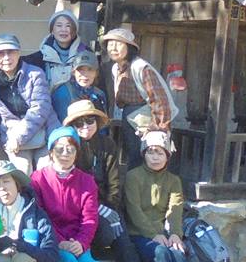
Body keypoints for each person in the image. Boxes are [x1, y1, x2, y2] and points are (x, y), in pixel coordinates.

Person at [30, 127, 138, 262]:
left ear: (77, 153)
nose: (65, 153)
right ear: (51, 152)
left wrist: (81, 242)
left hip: (78, 239)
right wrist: (59, 242)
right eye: (59, 149)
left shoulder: (86, 181)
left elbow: (90, 218)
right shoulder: (38, 179)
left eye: (70, 149)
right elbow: (40, 216)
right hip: (51, 240)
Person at [66, 99, 152, 262]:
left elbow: (115, 183)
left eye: (90, 120)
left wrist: (108, 207)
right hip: (79, 212)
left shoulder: (107, 145)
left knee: (125, 243)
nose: (85, 126)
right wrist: (95, 209)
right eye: (79, 123)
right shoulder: (68, 148)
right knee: (84, 252)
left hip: (107, 207)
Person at [124, 131, 204, 262]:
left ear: (167, 155)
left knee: (177, 252)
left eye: (160, 153)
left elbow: (175, 209)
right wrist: (153, 234)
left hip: (164, 233)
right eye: (150, 152)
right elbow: (134, 210)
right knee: (160, 252)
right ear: (144, 154)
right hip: (140, 234)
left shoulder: (173, 180)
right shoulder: (133, 177)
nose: (155, 157)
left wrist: (176, 234)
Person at [0, 34, 59, 174]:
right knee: (21, 172)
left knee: (46, 172)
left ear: (18, 53)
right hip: (12, 131)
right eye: (0, 54)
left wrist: (18, 137)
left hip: (43, 129)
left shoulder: (35, 74)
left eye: (10, 52)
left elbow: (40, 109)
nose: (6, 58)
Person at [101, 26, 177, 164]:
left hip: (146, 119)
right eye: (110, 44)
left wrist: (158, 127)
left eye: (118, 44)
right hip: (129, 116)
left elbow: (159, 99)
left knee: (148, 159)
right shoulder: (116, 68)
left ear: (129, 47)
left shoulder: (140, 67)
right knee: (133, 158)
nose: (113, 48)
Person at [25, 9, 90, 116]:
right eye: (59, 25)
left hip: (79, 113)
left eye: (68, 26)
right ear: (52, 30)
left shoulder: (86, 55)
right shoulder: (37, 58)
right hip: (47, 113)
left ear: (74, 30)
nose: (63, 30)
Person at [54, 49, 109, 119]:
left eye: (90, 69)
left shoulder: (100, 95)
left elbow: (103, 122)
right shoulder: (62, 93)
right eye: (80, 69)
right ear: (73, 72)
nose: (85, 74)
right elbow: (62, 123)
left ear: (96, 73)